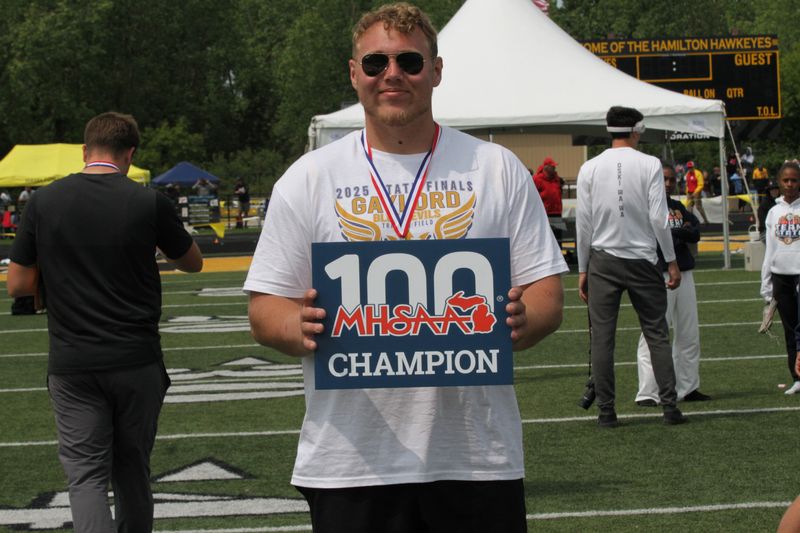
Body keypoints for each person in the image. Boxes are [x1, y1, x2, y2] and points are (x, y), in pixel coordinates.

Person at [243, 4, 568, 532]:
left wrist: (523, 320)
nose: (391, 74)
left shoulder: (496, 167)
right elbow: (265, 308)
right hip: (350, 461)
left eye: (409, 61)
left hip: (476, 458)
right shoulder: (309, 177)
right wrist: (293, 326)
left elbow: (545, 292)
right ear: (354, 74)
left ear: (436, 71)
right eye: (375, 63)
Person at [6, 111, 203, 532]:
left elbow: (18, 284)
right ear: (129, 154)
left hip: (74, 361)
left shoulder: (43, 202)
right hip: (136, 358)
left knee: (86, 477)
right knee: (132, 469)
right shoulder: (148, 201)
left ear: (84, 151)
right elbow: (192, 263)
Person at [576, 105, 686, 428]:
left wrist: (583, 268)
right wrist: (671, 261)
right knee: (657, 334)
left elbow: (583, 223)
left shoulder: (590, 167)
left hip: (603, 260)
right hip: (642, 260)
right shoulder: (650, 164)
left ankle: (607, 411)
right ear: (636, 130)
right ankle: (669, 407)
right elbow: (658, 218)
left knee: (603, 338)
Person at [635, 163, 710, 406]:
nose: (667, 184)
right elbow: (652, 239)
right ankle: (648, 392)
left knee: (689, 333)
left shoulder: (678, 207)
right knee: (654, 333)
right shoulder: (644, 208)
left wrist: (674, 233)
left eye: (670, 180)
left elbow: (696, 232)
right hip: (658, 275)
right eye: (663, 179)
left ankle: (687, 387)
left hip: (685, 272)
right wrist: (680, 233)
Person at [760, 161, 800, 395]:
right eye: (786, 180)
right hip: (780, 277)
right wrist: (766, 284)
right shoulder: (773, 212)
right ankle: (796, 377)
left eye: (794, 180)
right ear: (779, 182)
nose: (790, 184)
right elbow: (770, 249)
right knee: (789, 329)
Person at [533, 156, 565, 247]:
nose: (555, 168)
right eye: (552, 167)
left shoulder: (557, 179)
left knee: (558, 239)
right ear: (546, 168)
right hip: (544, 214)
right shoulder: (537, 179)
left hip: (557, 214)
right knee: (546, 239)